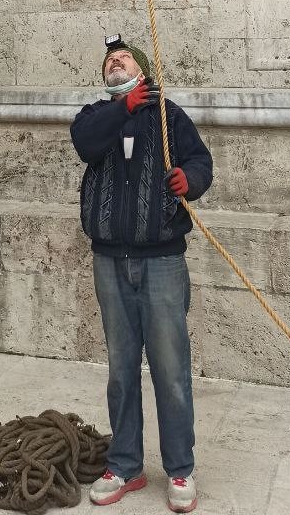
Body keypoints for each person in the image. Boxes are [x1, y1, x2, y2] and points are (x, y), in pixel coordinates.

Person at [70, 34, 213, 513]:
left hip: (162, 262)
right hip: (110, 260)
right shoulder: (96, 116)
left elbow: (200, 162)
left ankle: (179, 470)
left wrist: (188, 181)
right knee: (121, 368)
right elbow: (86, 144)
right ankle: (125, 465)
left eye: (124, 58)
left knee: (171, 371)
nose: (115, 61)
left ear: (143, 71)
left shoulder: (169, 117)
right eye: (109, 60)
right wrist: (122, 108)